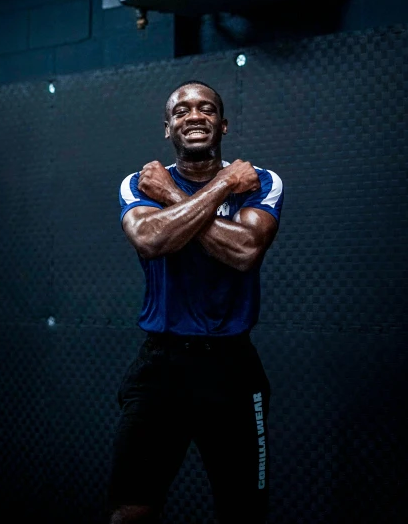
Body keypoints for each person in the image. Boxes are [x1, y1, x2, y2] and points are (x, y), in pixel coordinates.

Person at [108, 80, 283, 524]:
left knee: (244, 511)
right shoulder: (141, 183)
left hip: (232, 368)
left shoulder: (260, 182)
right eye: (181, 111)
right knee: (132, 509)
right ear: (168, 128)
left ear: (222, 124)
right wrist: (221, 185)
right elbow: (151, 239)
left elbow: (244, 251)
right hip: (161, 365)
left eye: (206, 109)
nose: (194, 116)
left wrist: (180, 195)